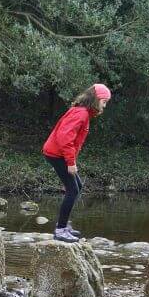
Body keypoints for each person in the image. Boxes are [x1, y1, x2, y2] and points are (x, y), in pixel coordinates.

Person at [42, 83, 111, 243]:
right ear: (96, 99)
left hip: (57, 153)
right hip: (56, 154)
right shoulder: (81, 114)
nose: (105, 105)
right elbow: (64, 138)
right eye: (104, 101)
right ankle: (60, 230)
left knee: (77, 186)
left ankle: (64, 225)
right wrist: (70, 162)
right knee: (73, 189)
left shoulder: (83, 112)